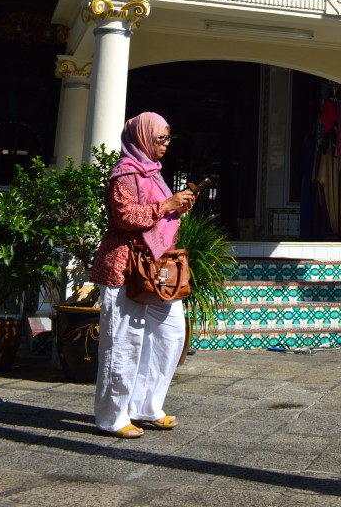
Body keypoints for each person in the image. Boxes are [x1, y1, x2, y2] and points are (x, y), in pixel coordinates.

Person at [91, 111, 195, 438]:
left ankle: (146, 406)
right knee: (122, 342)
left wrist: (176, 207)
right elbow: (124, 217)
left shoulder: (153, 173)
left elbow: (157, 215)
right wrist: (166, 206)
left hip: (156, 267)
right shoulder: (125, 174)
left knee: (170, 334)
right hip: (125, 267)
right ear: (143, 138)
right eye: (160, 139)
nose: (165, 145)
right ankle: (113, 417)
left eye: (167, 139)